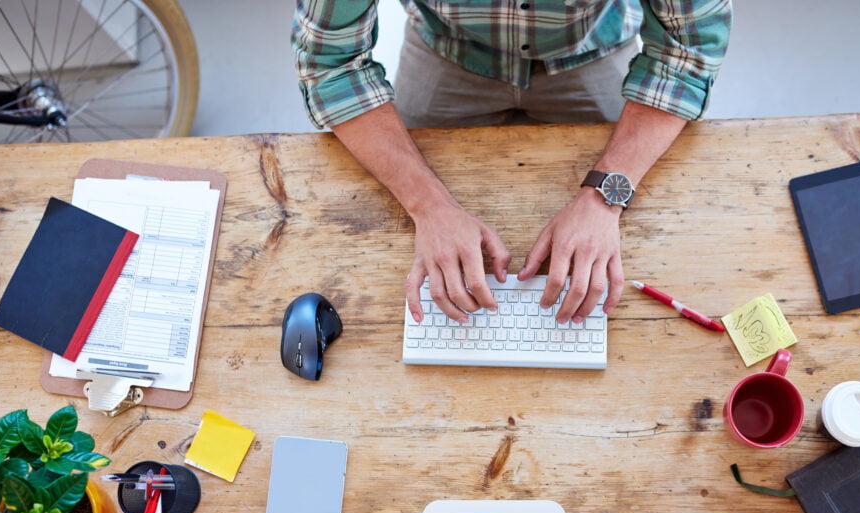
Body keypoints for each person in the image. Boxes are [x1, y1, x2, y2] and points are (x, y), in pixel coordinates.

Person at [292, 1, 732, 324]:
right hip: (448, 49)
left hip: (591, 47)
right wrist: (428, 206)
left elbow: (687, 51)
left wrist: (604, 196)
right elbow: (332, 64)